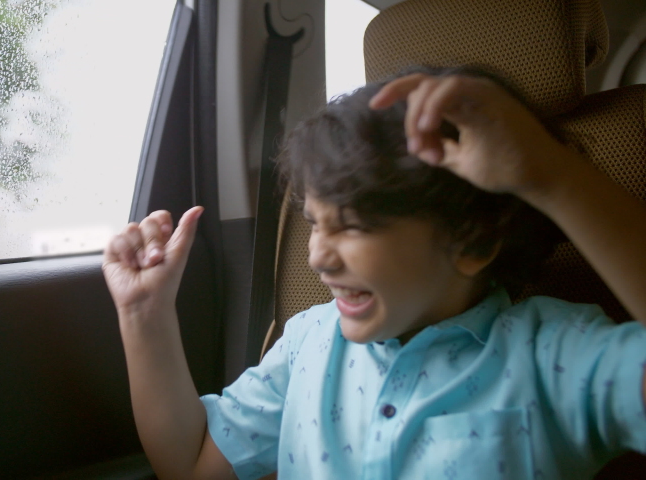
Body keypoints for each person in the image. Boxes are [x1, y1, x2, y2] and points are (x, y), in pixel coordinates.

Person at [101, 66, 646, 479]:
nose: (317, 256)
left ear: (473, 241)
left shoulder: (552, 357)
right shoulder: (310, 341)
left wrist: (552, 178)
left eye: (355, 226)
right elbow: (193, 463)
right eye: (315, 224)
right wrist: (143, 314)